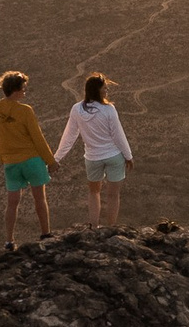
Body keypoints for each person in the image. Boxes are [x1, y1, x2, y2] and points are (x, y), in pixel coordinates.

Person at [55, 72, 135, 226]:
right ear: (97, 90)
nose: (106, 91)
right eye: (104, 88)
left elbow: (69, 136)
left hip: (92, 158)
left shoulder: (77, 109)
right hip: (113, 156)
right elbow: (118, 135)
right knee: (113, 195)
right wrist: (128, 155)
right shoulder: (109, 109)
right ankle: (110, 228)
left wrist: (57, 157)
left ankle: (94, 226)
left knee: (93, 192)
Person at [0, 70, 56, 248]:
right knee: (39, 198)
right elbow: (37, 137)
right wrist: (50, 161)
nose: (25, 91)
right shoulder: (25, 111)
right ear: (15, 90)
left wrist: (2, 158)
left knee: (12, 203)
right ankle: (45, 233)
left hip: (10, 162)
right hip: (31, 159)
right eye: (23, 88)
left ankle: (9, 240)